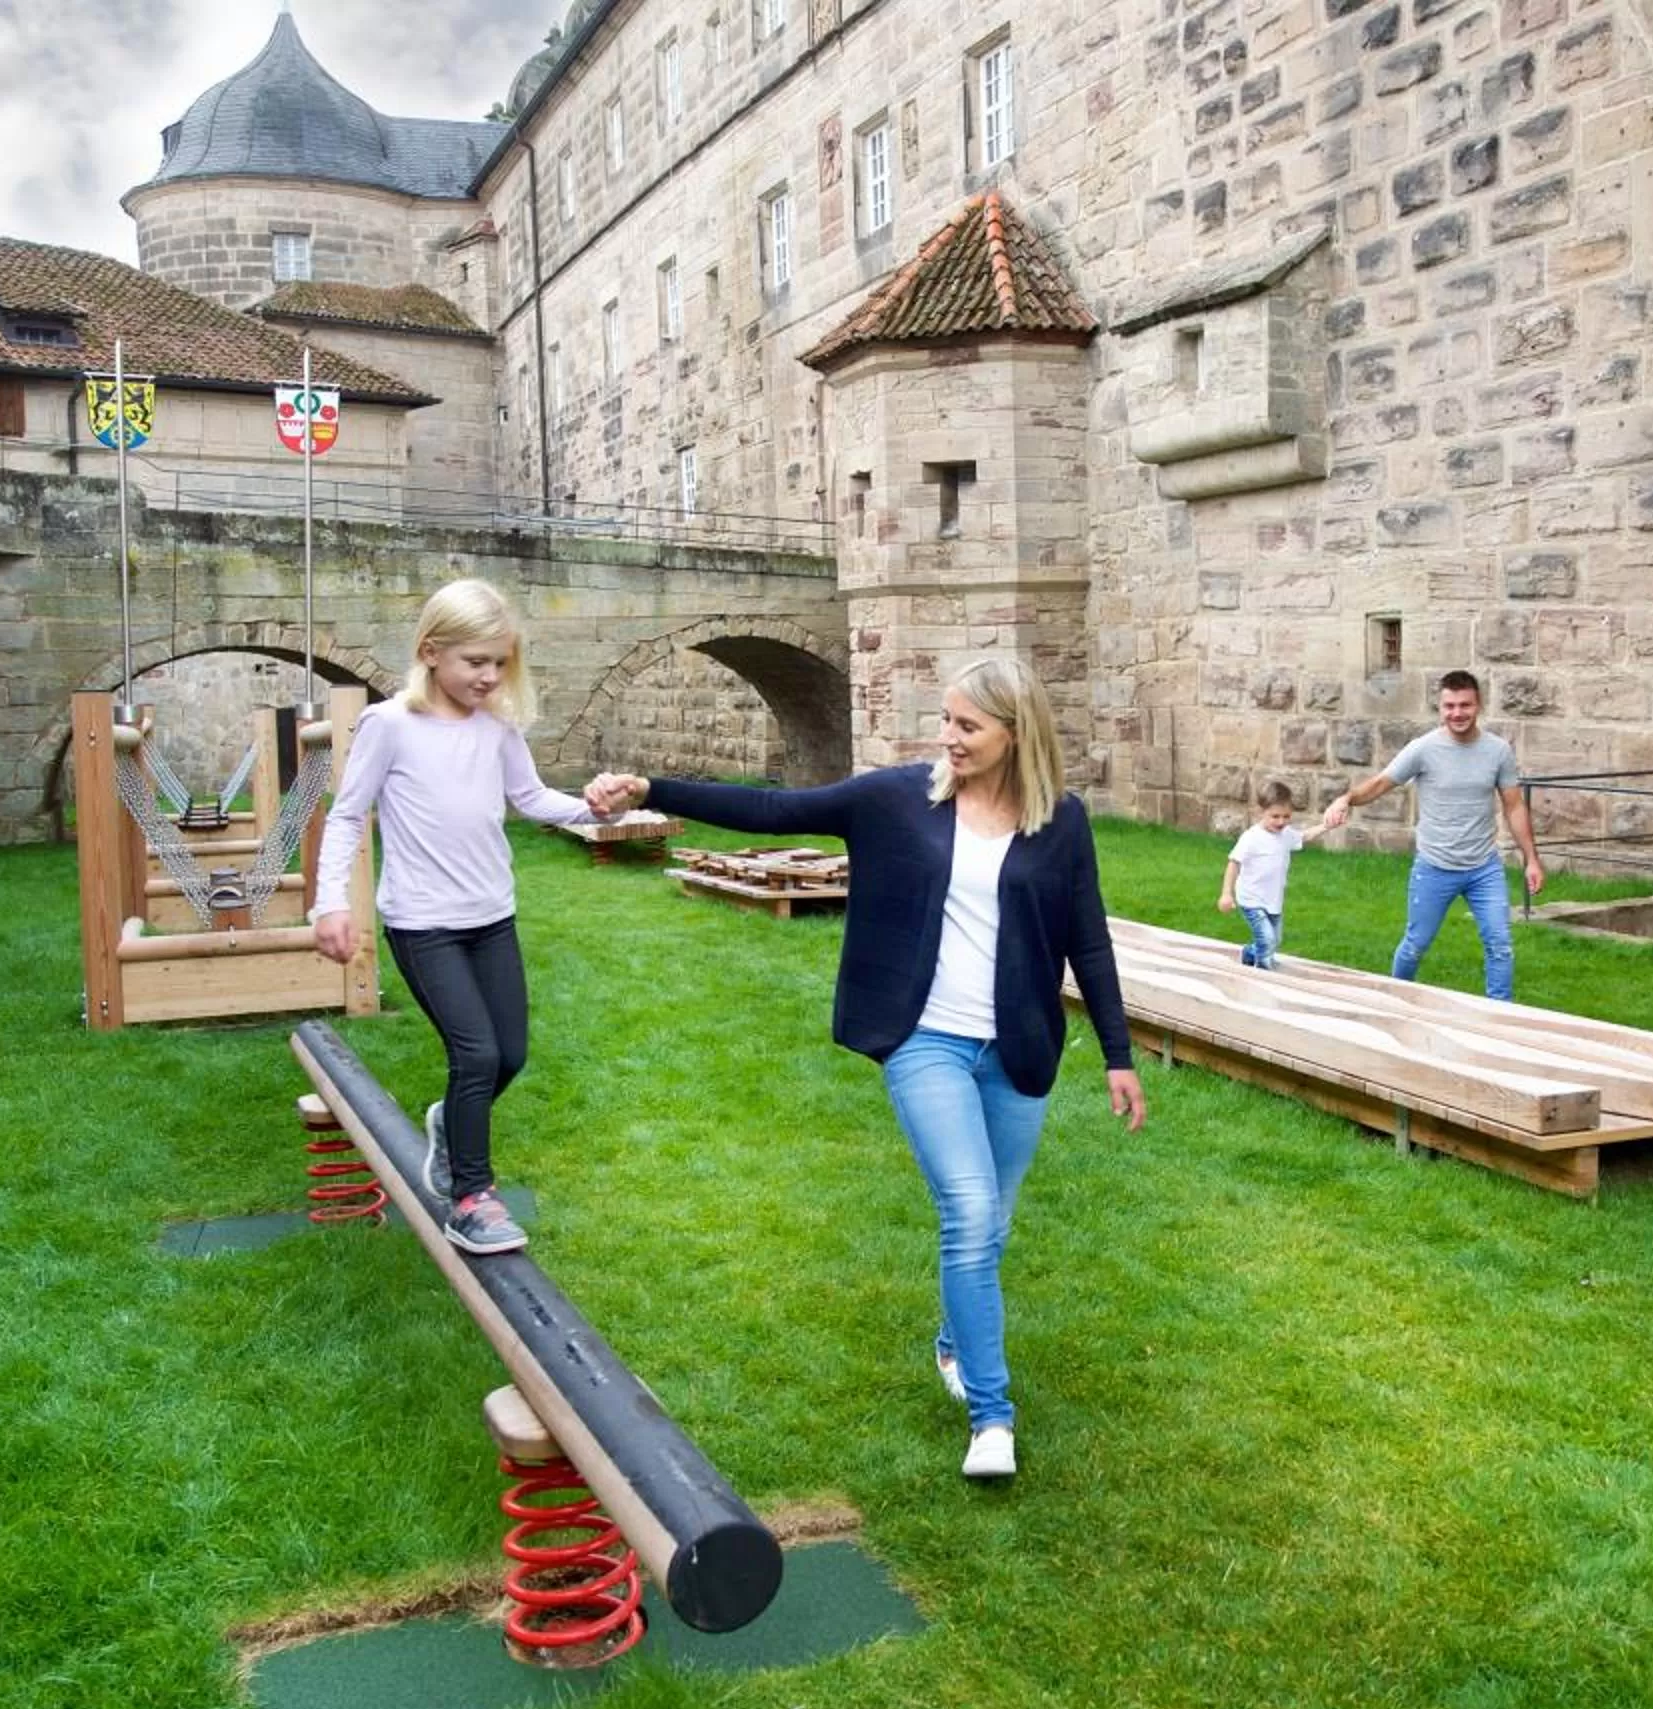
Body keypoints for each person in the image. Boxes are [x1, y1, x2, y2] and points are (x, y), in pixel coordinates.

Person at [585, 658, 1145, 1483]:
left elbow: (1086, 939)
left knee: (993, 1225)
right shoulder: (894, 800)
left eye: (967, 727)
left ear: (1016, 735)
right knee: (966, 1211)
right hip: (925, 1040)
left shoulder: (1060, 821)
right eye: (946, 720)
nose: (947, 738)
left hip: (1020, 1047)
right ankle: (993, 1418)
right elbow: (773, 810)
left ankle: (956, 1339)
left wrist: (1117, 1054)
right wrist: (651, 788)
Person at [310, 578, 605, 1254]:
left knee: (512, 1055)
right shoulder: (389, 726)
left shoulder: (497, 725)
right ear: (431, 651)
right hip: (423, 922)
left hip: (490, 916)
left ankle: (449, 1126)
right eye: (476, 661)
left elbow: (528, 797)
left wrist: (594, 809)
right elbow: (350, 814)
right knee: (475, 1053)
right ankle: (471, 1198)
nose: (490, 675)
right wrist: (331, 902)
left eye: (501, 662)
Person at [1321, 669, 1547, 1000]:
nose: (1457, 713)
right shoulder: (1423, 749)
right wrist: (1346, 799)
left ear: (1478, 705)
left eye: (1465, 705)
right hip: (1434, 867)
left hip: (1483, 868)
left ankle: (1500, 1016)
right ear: (1440, 708)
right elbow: (1382, 783)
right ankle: (1394, 1002)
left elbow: (1514, 807)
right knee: (1415, 945)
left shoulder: (1498, 751)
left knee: (1500, 944)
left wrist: (1532, 860)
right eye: (1449, 706)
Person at [1218, 781, 1314, 969]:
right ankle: (1263, 974)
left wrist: (1326, 826)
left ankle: (1249, 953)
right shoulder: (1251, 837)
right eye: (1275, 816)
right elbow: (1233, 863)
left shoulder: (1286, 834)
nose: (1281, 822)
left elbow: (1303, 837)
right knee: (1268, 940)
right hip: (1251, 898)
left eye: (1286, 816)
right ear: (1261, 812)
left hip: (1272, 899)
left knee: (1274, 940)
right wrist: (1226, 894)